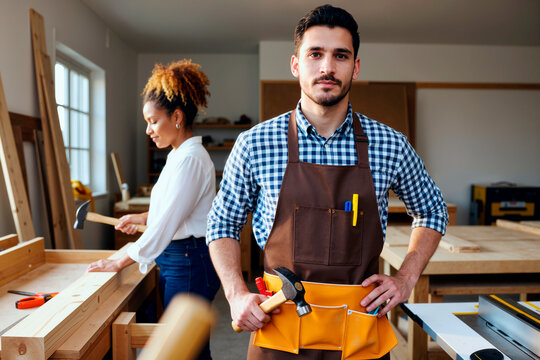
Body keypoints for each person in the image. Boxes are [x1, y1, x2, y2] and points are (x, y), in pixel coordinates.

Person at [206, 4, 448, 360]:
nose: (327, 67)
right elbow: (221, 222)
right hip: (278, 330)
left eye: (341, 55)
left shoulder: (390, 144)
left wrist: (406, 278)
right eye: (315, 54)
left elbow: (432, 210)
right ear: (295, 64)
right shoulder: (255, 143)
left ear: (356, 66)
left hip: (361, 334)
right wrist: (235, 292)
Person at [88, 59, 220, 359]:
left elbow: (166, 225)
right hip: (178, 259)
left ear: (176, 117)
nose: (148, 130)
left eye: (153, 121)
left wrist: (121, 259)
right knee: (183, 346)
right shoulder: (178, 156)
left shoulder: (190, 159)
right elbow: (174, 209)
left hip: (190, 262)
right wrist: (142, 217)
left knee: (187, 350)